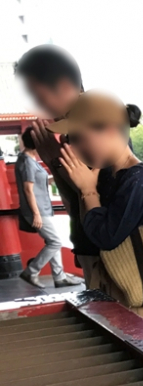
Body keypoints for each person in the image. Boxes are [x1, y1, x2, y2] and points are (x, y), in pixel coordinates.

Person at [50, 92, 143, 334]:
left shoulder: (138, 177)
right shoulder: (110, 174)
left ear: (112, 131)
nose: (76, 147)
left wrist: (88, 191)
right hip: (127, 298)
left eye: (80, 138)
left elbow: (106, 237)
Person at [15, 45, 95, 279]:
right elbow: (78, 205)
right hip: (93, 249)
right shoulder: (73, 131)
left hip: (116, 256)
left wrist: (56, 162)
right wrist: (54, 162)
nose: (40, 106)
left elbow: (96, 207)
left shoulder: (97, 127)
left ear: (63, 87)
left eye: (40, 97)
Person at [16, 128, 82, 288]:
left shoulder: (30, 160)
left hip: (44, 208)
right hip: (38, 210)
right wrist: (36, 214)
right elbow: (28, 189)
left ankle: (59, 277)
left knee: (54, 241)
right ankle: (31, 271)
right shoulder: (26, 161)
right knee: (54, 242)